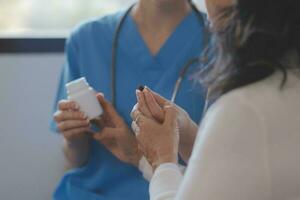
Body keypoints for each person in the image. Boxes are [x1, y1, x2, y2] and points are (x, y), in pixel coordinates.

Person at [130, 0, 300, 199]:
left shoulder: (244, 108)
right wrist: (191, 138)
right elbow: (235, 180)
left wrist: (162, 159)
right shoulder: (284, 90)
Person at [50, 0, 207, 199]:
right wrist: (74, 137)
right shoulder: (86, 39)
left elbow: (227, 168)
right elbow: (77, 159)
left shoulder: (227, 42)